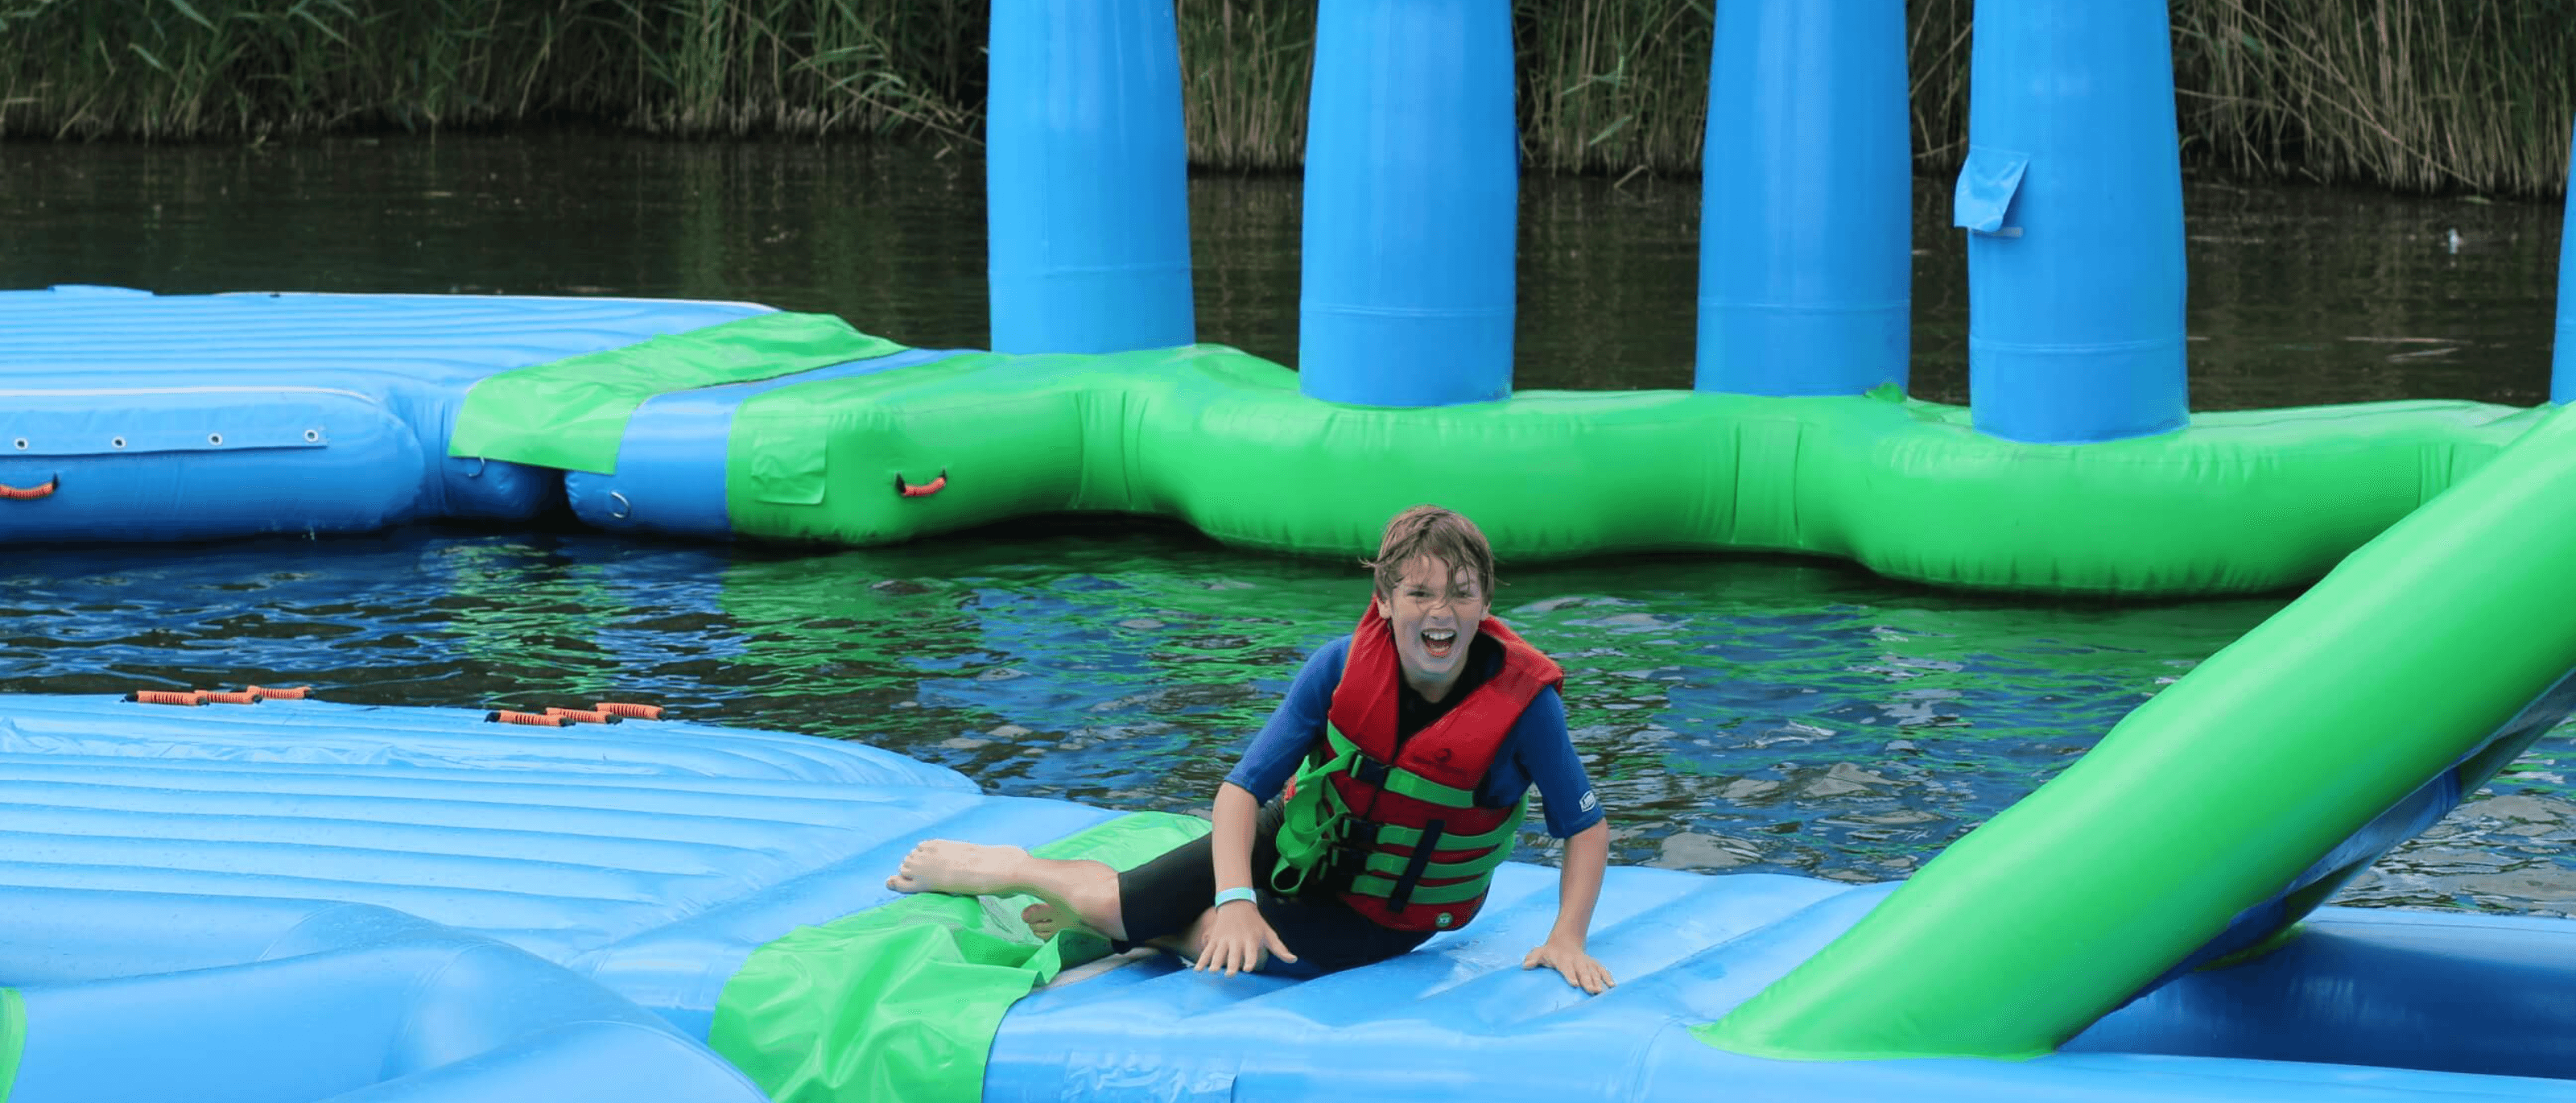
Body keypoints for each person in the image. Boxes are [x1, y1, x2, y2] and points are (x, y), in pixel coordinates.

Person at [886, 504, 1615, 994]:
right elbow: (1240, 792)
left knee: (1231, 950)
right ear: (1384, 600)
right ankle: (1015, 868)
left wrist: (1568, 937)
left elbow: (1585, 828)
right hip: (1298, 840)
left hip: (1380, 914)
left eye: (1461, 594)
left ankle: (1141, 924)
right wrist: (1237, 895)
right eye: (1419, 593)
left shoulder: (1525, 708)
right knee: (1123, 907)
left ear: (1486, 603)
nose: (1441, 612)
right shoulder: (1337, 668)